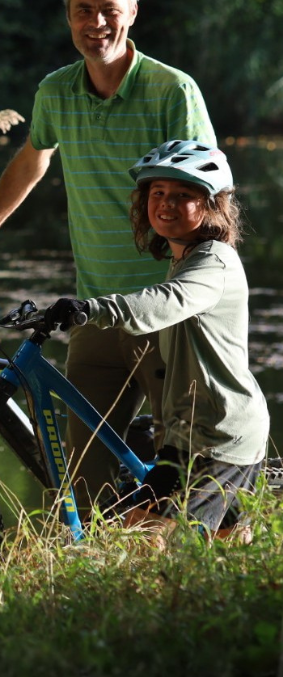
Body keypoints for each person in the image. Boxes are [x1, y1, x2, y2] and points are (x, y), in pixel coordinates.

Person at [0, 0, 216, 506]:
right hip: (96, 306)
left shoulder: (173, 91)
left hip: (166, 309)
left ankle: (189, 574)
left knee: (183, 472)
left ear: (133, 12)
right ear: (68, 17)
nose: (96, 24)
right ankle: (95, 578)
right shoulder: (56, 92)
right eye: (82, 11)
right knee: (83, 476)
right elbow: (34, 157)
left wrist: (202, 282)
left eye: (108, 9)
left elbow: (209, 192)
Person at [46, 140, 268, 539]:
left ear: (211, 206)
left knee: (146, 537)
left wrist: (93, 309)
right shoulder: (185, 256)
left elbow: (168, 302)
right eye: (157, 193)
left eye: (183, 195)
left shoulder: (214, 261)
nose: (166, 203)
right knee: (225, 551)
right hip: (207, 433)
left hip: (215, 437)